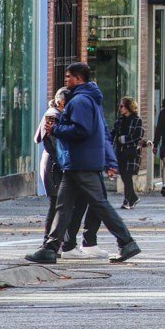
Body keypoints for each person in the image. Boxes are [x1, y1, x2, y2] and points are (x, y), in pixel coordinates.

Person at [26, 63, 141, 264]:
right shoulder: (89, 99)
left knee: (99, 204)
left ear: (79, 78)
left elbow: (81, 130)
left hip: (80, 161)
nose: (66, 80)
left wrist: (56, 129)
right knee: (63, 205)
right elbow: (101, 132)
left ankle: (126, 242)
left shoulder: (79, 101)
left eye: (69, 77)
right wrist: (109, 160)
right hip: (78, 162)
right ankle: (51, 248)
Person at [35, 88, 68, 244]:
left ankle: (55, 240)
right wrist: (62, 162)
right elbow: (51, 142)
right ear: (61, 102)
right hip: (53, 164)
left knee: (59, 203)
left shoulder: (55, 114)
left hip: (54, 162)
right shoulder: (52, 115)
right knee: (55, 203)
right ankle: (48, 240)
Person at [111, 97, 144, 209]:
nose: (120, 108)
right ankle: (133, 198)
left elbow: (138, 135)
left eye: (122, 106)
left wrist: (124, 139)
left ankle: (127, 201)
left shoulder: (137, 120)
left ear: (128, 107)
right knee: (124, 177)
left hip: (131, 152)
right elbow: (113, 134)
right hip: (120, 152)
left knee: (128, 176)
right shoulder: (119, 121)